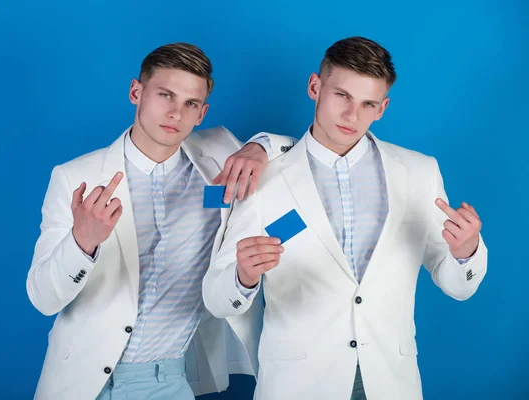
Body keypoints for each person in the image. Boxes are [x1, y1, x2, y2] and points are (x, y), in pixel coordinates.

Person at [202, 36, 487, 400]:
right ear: (315, 87)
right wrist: (242, 276)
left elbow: (458, 286)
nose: (353, 115)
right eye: (342, 96)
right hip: (297, 384)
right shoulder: (263, 177)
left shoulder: (419, 172)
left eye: (368, 103)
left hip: (390, 382)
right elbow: (215, 297)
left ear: (382, 108)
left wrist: (466, 252)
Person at [27, 42, 296, 400]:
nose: (175, 113)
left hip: (169, 380)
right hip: (83, 384)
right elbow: (43, 299)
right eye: (164, 95)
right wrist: (82, 242)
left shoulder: (220, 155)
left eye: (190, 104)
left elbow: (303, 161)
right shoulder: (76, 177)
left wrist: (259, 146)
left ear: (202, 113)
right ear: (136, 92)